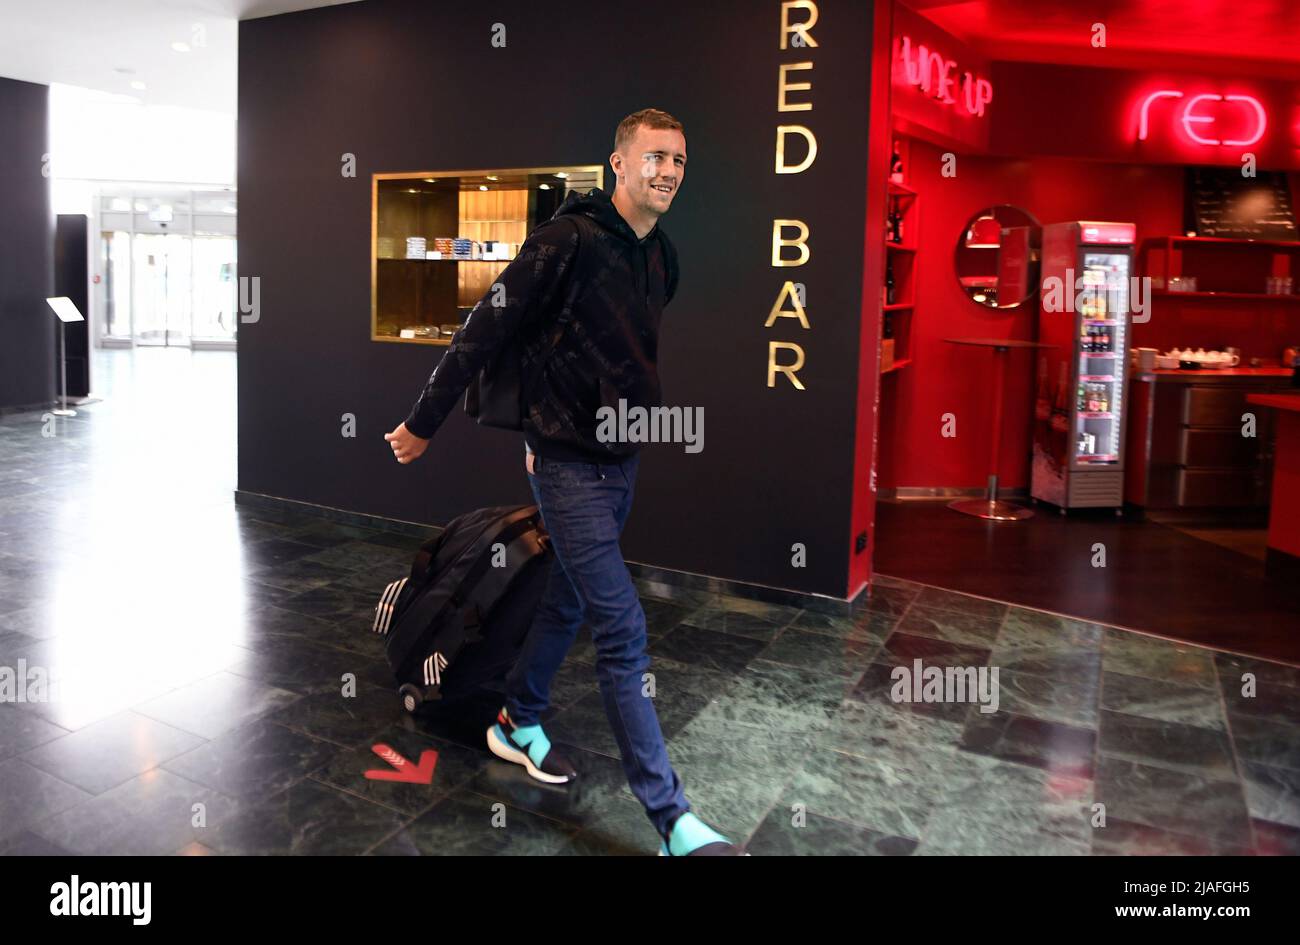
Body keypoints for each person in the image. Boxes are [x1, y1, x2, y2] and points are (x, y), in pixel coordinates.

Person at [385, 109, 743, 856]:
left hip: (622, 460)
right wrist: (424, 421)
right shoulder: (565, 241)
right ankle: (671, 817)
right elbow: (485, 327)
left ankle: (518, 718)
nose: (669, 171)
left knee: (573, 594)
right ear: (618, 164)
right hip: (569, 465)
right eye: (654, 157)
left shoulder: (661, 256)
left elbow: (611, 353)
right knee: (623, 625)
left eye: (679, 159)